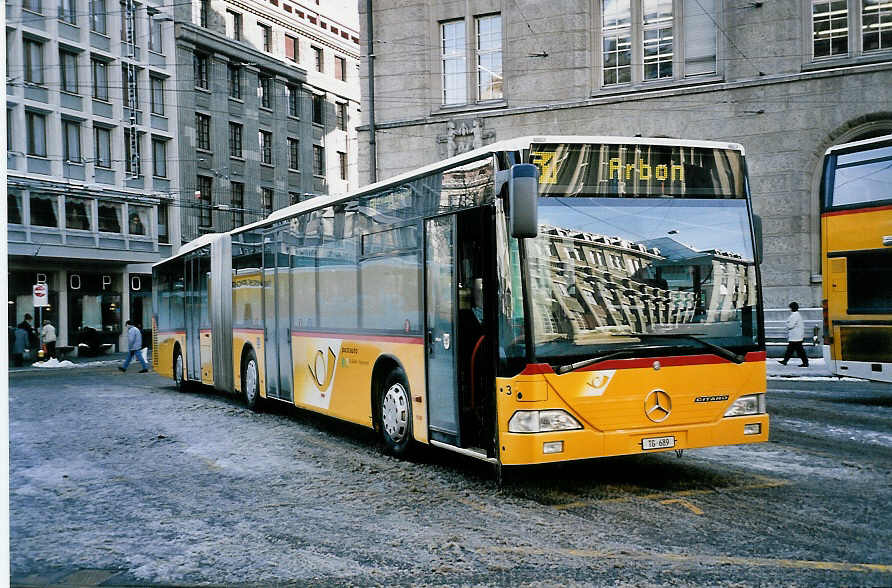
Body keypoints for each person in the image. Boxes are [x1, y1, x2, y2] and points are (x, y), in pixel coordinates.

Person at [778, 301, 809, 367]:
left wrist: (787, 323)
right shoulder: (797, 315)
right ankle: (785, 361)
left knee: (797, 350)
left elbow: (790, 325)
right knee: (792, 350)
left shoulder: (794, 315)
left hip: (795, 337)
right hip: (796, 336)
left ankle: (805, 362)